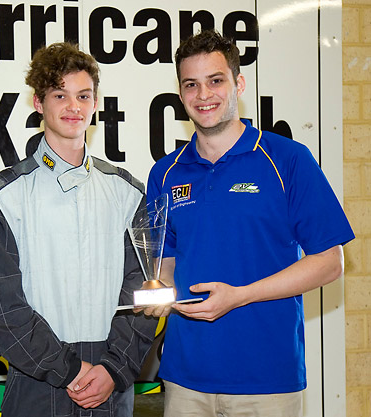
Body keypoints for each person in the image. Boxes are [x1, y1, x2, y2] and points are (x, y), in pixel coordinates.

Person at [142, 30, 355, 416]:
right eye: (191, 84)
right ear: (180, 94)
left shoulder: (287, 158)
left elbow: (330, 262)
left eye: (215, 80)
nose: (203, 95)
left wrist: (241, 295)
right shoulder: (166, 173)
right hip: (184, 379)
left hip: (267, 381)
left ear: (238, 84)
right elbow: (166, 265)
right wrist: (156, 292)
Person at [0, 42, 157, 416]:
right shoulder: (3, 194)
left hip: (111, 382)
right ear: (39, 103)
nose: (74, 107)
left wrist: (113, 369)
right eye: (60, 94)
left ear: (95, 103)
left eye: (83, 95)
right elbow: (4, 310)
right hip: (34, 382)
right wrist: (71, 369)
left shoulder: (128, 191)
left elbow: (141, 294)